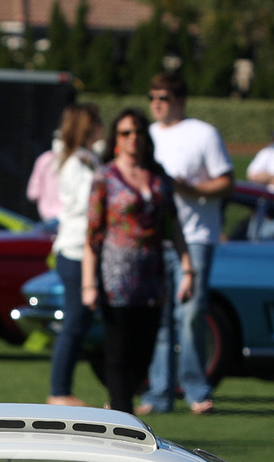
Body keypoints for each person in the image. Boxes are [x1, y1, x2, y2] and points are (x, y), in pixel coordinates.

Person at [83, 108, 194, 415]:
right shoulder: (104, 177)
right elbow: (92, 234)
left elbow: (173, 227)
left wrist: (188, 268)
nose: (133, 138)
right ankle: (122, 418)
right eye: (125, 133)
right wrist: (88, 283)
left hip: (152, 278)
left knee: (144, 354)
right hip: (115, 279)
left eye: (138, 132)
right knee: (118, 354)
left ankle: (120, 407)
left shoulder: (159, 179)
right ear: (116, 139)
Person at [139, 71, 232, 417]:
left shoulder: (204, 134)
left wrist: (192, 190)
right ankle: (159, 393)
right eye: (152, 97)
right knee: (159, 320)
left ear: (179, 100)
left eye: (162, 97)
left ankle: (195, 389)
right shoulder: (145, 136)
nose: (156, 104)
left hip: (195, 237)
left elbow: (227, 183)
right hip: (157, 238)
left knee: (191, 314)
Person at [45, 102, 102, 407]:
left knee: (81, 320)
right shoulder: (77, 162)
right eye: (98, 122)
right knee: (75, 321)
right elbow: (85, 202)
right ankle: (59, 391)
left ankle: (62, 389)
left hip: (81, 248)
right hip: (76, 249)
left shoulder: (82, 158)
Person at [26, 133, 63, 221]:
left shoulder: (73, 160)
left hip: (65, 215)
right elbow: (33, 192)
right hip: (48, 215)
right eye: (56, 139)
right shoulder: (44, 159)